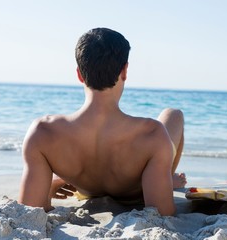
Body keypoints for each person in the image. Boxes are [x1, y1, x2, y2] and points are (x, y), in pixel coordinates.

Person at [18, 28, 186, 216]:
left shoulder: (42, 132)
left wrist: (48, 188)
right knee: (173, 114)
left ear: (79, 74)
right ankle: (163, 176)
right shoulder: (153, 133)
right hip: (136, 191)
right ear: (124, 71)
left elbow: (28, 212)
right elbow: (163, 214)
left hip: (85, 187)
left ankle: (161, 173)